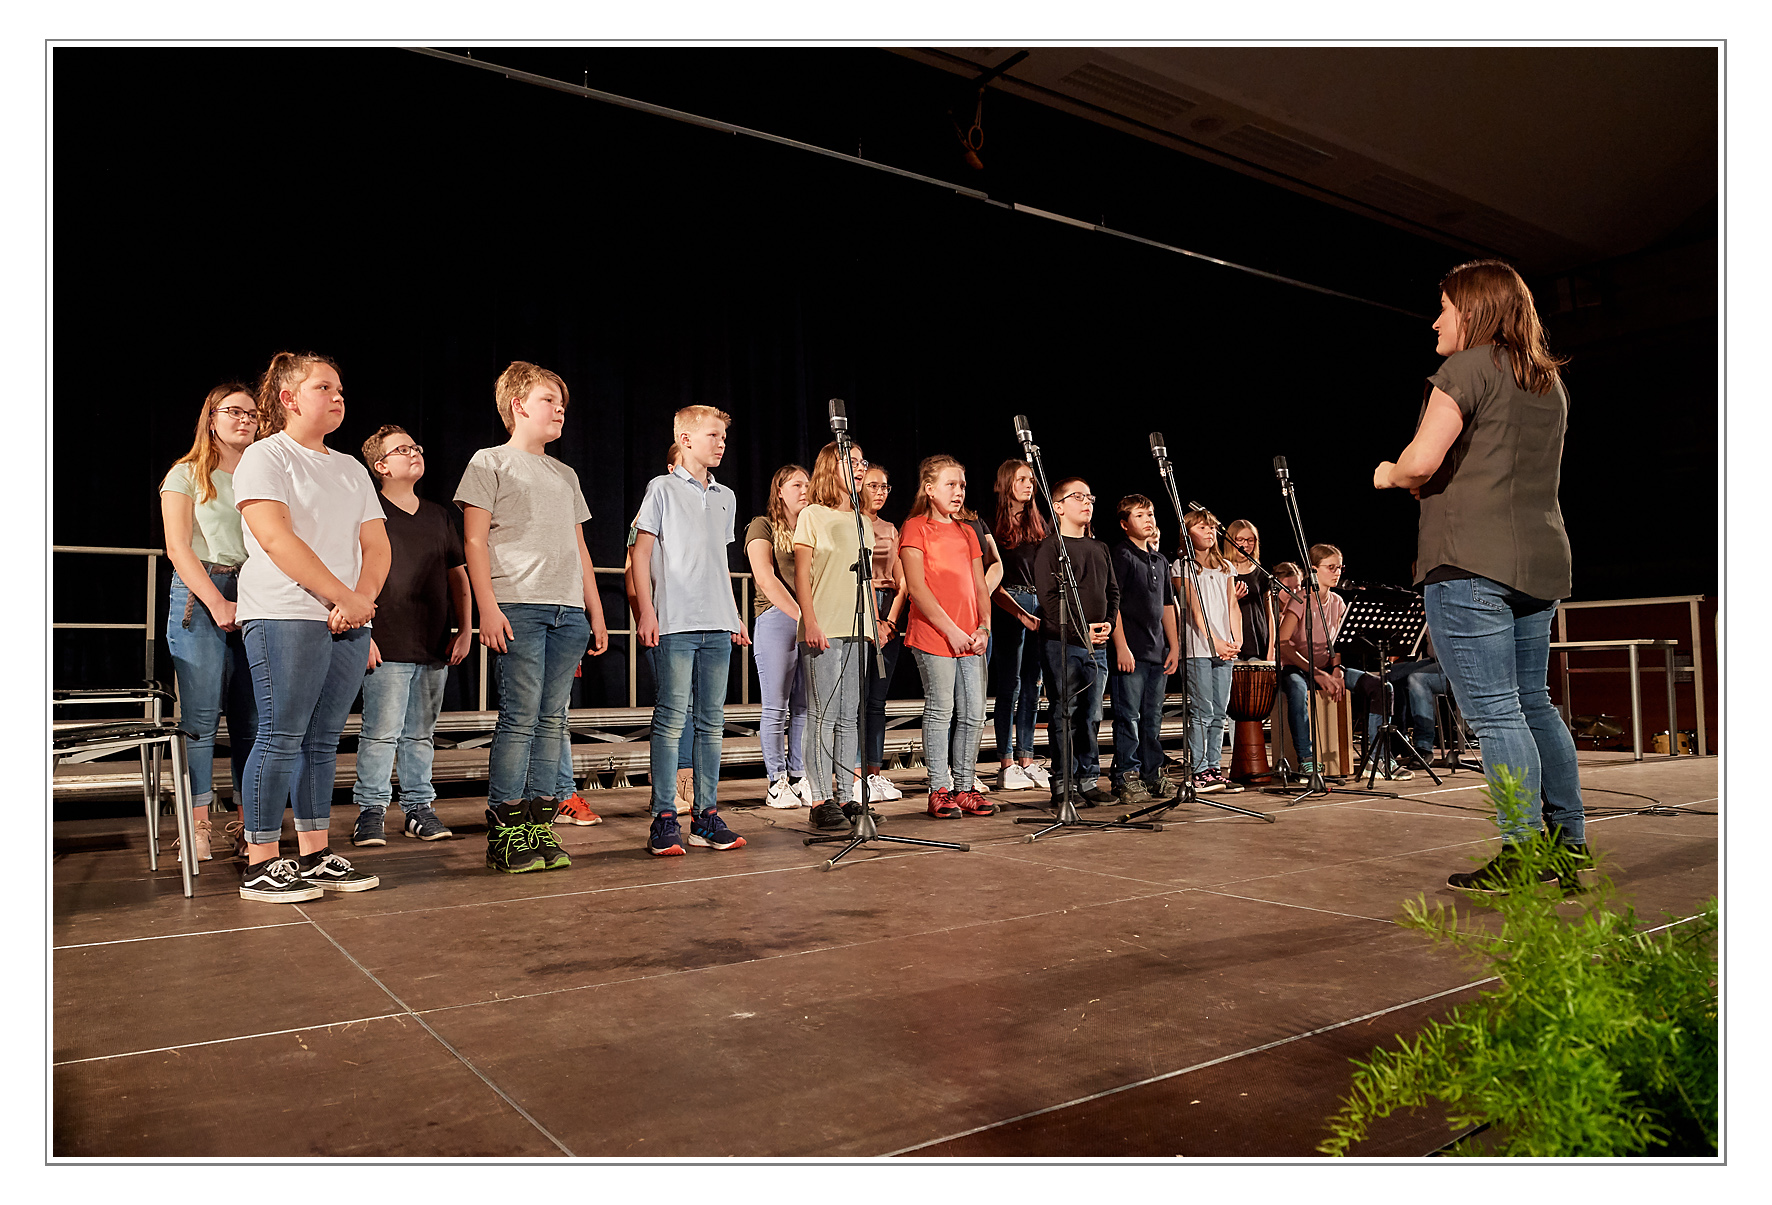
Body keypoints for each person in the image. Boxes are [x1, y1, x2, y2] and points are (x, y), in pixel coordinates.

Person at [1373, 258, 1588, 892]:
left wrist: (1386, 472)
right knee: (1533, 705)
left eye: (1443, 307)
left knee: (1496, 715)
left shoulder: (1464, 369)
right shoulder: (1549, 383)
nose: (1435, 320)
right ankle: (1568, 845)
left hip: (1469, 561)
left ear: (1473, 310)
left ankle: (1521, 852)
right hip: (1540, 560)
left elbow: (1419, 463)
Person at [232, 352, 387, 903]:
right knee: (280, 734)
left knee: (321, 741)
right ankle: (260, 859)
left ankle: (315, 852)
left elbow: (376, 542)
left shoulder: (349, 467)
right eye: (324, 387)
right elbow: (277, 538)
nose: (338, 396)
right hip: (284, 612)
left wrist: (362, 599)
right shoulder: (264, 456)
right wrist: (342, 596)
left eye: (341, 388)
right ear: (289, 398)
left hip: (347, 618)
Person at [456, 362, 610, 874]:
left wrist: (595, 609)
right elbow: (474, 540)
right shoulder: (490, 461)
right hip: (518, 603)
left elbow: (579, 547)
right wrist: (487, 608)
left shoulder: (565, 473)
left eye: (561, 401)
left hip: (567, 611)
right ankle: (506, 830)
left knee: (552, 720)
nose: (560, 408)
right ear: (519, 406)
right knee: (520, 718)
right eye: (549, 399)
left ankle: (540, 822)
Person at [552, 443, 691, 826]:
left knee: (696, 709)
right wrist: (644, 613)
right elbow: (634, 568)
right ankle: (556, 795)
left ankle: (689, 788)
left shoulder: (712, 503)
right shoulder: (654, 505)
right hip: (663, 622)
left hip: (696, 622)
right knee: (673, 707)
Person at [632, 404, 750, 855]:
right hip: (676, 622)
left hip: (718, 622)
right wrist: (647, 611)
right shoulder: (661, 488)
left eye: (723, 436)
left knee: (712, 723)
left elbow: (717, 562)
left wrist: (735, 613)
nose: (721, 443)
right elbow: (641, 554)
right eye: (713, 435)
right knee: (670, 721)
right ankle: (665, 816)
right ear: (685, 439)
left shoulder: (726, 496)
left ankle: (706, 815)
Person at [348, 425, 472, 847]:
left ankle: (419, 807)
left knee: (420, 732)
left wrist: (465, 628)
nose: (414, 453)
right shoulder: (369, 512)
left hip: (433, 642)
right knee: (381, 732)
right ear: (380, 466)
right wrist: (363, 632)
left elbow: (458, 576)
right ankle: (371, 810)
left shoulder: (438, 515)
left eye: (416, 447)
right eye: (402, 450)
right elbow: (354, 575)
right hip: (387, 640)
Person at [159, 382, 261, 861]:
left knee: (252, 720)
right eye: (235, 412)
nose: (246, 420)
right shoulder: (186, 474)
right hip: (203, 593)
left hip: (257, 593)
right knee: (199, 720)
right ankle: (197, 825)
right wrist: (218, 604)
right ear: (212, 417)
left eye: (253, 414)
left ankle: (248, 824)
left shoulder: (264, 474)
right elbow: (178, 548)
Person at [900, 455, 993, 820]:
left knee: (973, 713)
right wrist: (952, 630)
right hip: (934, 634)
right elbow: (918, 589)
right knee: (942, 710)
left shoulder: (967, 531)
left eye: (962, 485)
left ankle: (966, 786)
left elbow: (979, 585)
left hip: (970, 636)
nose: (958, 492)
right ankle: (938, 787)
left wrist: (983, 626)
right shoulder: (915, 528)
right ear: (929, 488)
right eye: (951, 484)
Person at [793, 441, 878, 831]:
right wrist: (809, 621)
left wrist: (875, 621)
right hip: (823, 625)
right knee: (823, 714)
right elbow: (803, 575)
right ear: (831, 466)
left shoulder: (864, 519)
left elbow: (867, 579)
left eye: (862, 462)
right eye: (851, 461)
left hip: (858, 627)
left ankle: (847, 795)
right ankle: (819, 798)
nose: (859, 468)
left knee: (848, 716)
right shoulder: (812, 514)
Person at [1033, 477, 1118, 807]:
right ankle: (1063, 783)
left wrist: (1108, 623)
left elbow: (1112, 592)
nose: (1087, 502)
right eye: (1078, 496)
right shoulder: (1051, 548)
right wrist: (1081, 630)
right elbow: (1050, 599)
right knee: (1065, 713)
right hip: (1063, 644)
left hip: (1098, 644)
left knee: (1092, 714)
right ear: (1058, 506)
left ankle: (1088, 778)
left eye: (1090, 496)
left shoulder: (1099, 548)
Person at [1274, 544, 1381, 779]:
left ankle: (1377, 756)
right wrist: (1317, 673)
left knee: (1380, 687)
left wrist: (1337, 669)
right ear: (1313, 570)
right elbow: (1281, 643)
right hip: (1297, 667)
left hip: (1325, 667)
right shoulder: (1300, 600)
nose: (1337, 573)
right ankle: (1306, 758)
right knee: (1297, 690)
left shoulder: (1338, 602)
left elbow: (1337, 643)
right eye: (1331, 567)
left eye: (1339, 567)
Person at [746, 462, 814, 809]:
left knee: (804, 705)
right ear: (780, 491)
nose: (805, 490)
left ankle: (799, 775)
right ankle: (776, 781)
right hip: (777, 618)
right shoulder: (763, 525)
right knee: (777, 706)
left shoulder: (812, 526)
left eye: (808, 484)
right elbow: (766, 577)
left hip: (809, 620)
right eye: (797, 485)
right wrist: (801, 615)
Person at [1108, 495, 1180, 805]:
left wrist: (1174, 645)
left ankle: (1153, 773)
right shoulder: (1122, 556)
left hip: (1156, 652)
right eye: (1139, 515)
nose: (1148, 519)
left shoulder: (1160, 560)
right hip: (1131, 652)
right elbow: (1116, 605)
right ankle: (1126, 774)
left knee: (1152, 718)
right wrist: (1121, 646)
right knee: (1129, 717)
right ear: (1125, 524)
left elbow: (1166, 605)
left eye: (1150, 513)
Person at [988, 459, 1051, 792]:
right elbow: (992, 580)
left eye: (1031, 479)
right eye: (1022, 479)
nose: (1029, 484)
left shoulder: (1040, 525)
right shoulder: (992, 526)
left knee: (1033, 684)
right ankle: (1006, 761)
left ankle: (1027, 758)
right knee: (1009, 684)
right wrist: (1019, 612)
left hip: (1039, 603)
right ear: (1005, 482)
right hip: (1009, 604)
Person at [1178, 507, 1243, 794]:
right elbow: (1194, 610)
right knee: (1202, 710)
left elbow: (1232, 605)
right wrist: (1215, 640)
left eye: (1212, 528)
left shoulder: (1226, 567)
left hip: (1224, 648)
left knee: (1220, 710)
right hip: (1199, 648)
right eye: (1202, 527)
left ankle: (1215, 766)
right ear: (1188, 532)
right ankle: (1199, 769)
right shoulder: (1182, 567)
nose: (1209, 532)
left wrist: (1235, 640)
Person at [859, 462, 909, 802]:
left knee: (877, 700)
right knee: (852, 701)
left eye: (885, 487)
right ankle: (852, 773)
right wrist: (870, 619)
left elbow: (903, 581)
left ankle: (874, 773)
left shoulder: (891, 529)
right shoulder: (849, 523)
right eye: (874, 485)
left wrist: (889, 621)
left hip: (887, 607)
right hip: (858, 607)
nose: (880, 492)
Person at [1223, 520, 1277, 662]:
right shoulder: (1222, 570)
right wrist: (1233, 598)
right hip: (1231, 641)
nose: (1245, 545)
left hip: (1257, 641)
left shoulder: (1261, 573)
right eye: (1240, 539)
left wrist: (1272, 647)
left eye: (1250, 540)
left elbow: (1269, 613)